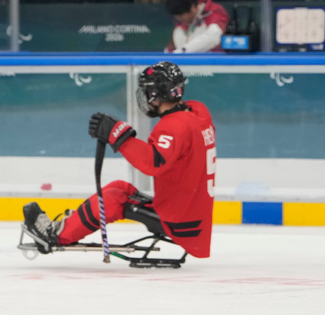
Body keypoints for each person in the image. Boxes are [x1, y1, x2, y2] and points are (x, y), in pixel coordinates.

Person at [23, 61, 216, 259]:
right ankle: (69, 224)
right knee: (120, 187)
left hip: (179, 220)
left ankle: (55, 236)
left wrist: (118, 135)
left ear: (158, 94)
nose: (146, 96)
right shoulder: (198, 112)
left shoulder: (175, 126)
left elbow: (152, 163)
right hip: (192, 213)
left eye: (148, 90)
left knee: (113, 199)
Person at [164, 0, 229, 53]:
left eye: (181, 16)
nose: (179, 19)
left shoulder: (215, 13)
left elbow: (214, 38)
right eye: (176, 17)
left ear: (192, 7)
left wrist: (181, 53)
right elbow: (171, 48)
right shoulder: (180, 25)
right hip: (183, 61)